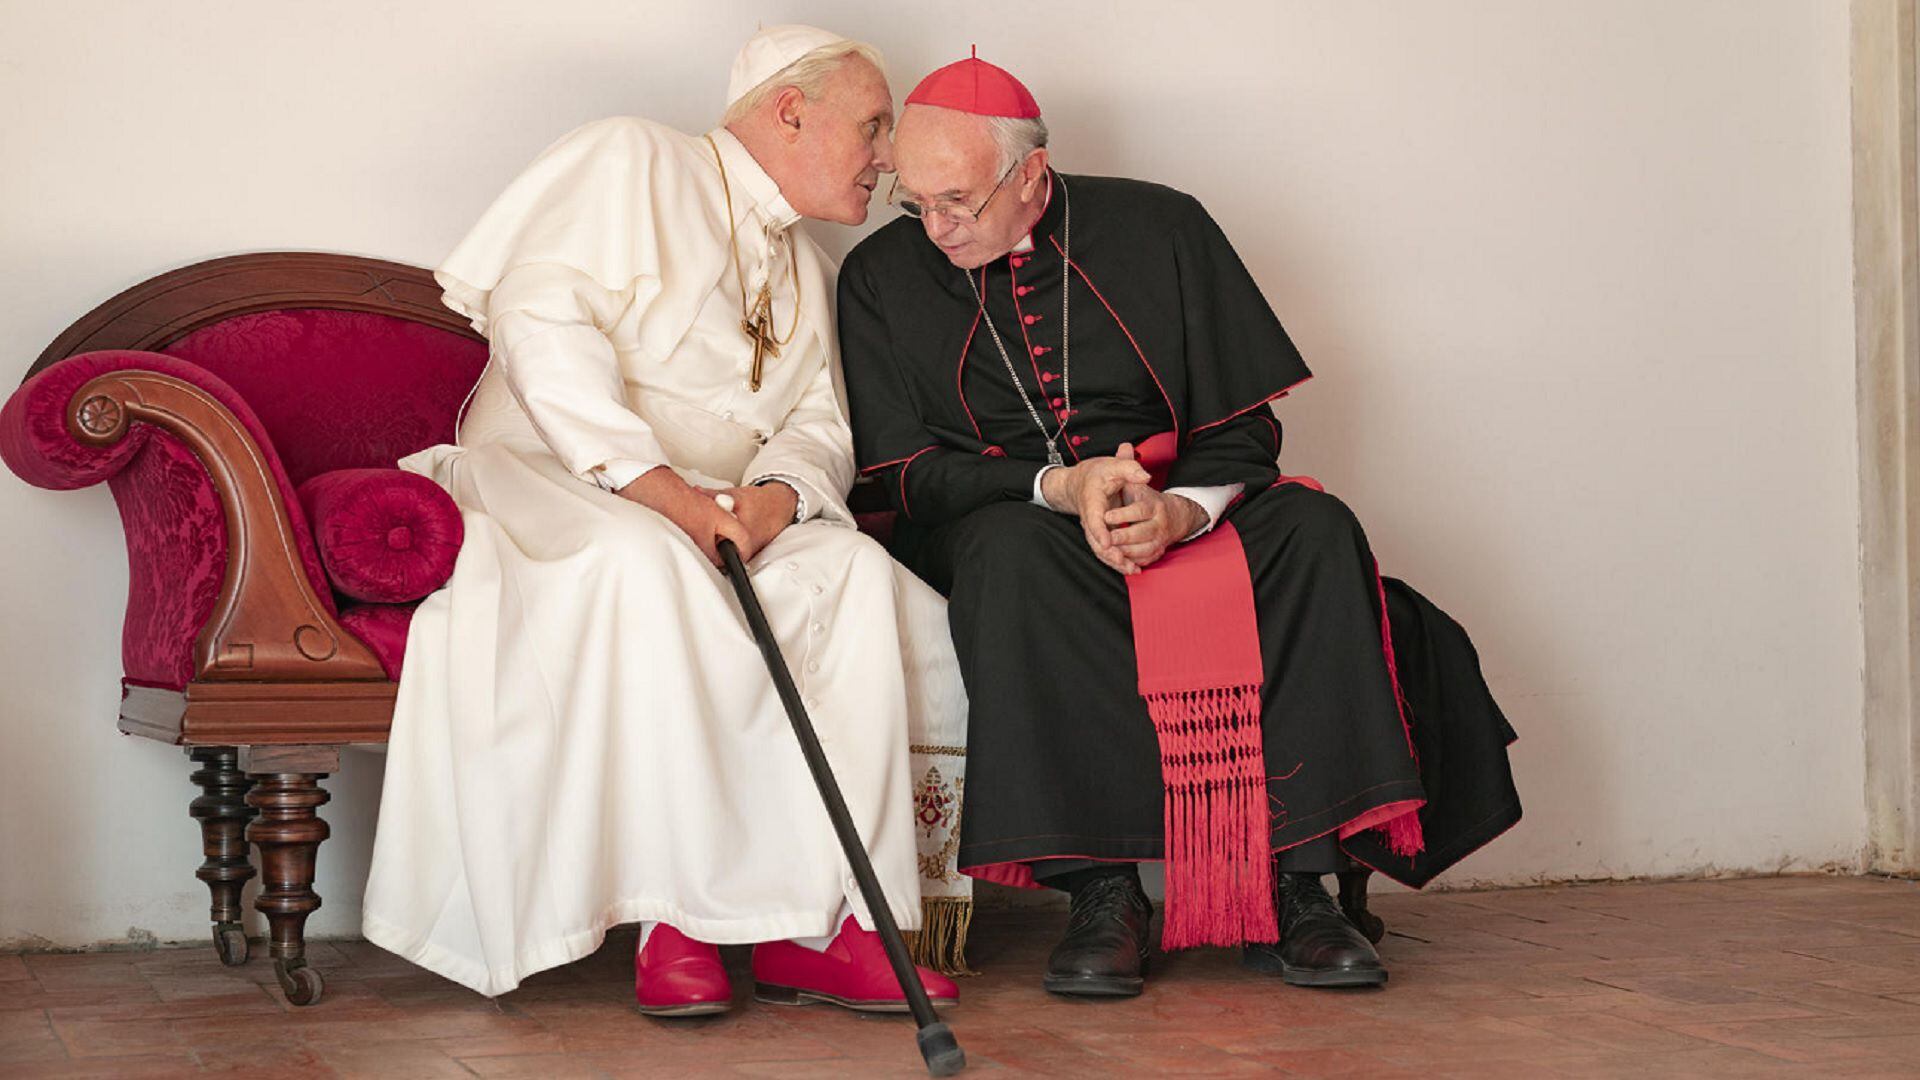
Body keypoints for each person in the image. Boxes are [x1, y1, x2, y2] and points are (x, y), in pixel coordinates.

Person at [838, 52, 1520, 997]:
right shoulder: (881, 276)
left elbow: (1246, 427)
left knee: (1318, 533)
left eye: (955, 201)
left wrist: (1178, 510)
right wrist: (1061, 488)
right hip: (1020, 518)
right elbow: (900, 469)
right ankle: (1104, 895)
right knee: (1006, 559)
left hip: (1185, 504)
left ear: (1030, 177)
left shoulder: (1163, 225)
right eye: (914, 203)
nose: (935, 228)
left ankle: (1299, 888)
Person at [361, 25, 966, 1016]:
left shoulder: (809, 266)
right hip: (555, 479)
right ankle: (676, 921)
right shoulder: (634, 158)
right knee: (652, 562)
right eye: (873, 127)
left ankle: (831, 926)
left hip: (717, 511)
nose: (888, 157)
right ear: (788, 108)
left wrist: (773, 502)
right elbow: (539, 326)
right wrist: (666, 494)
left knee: (847, 576)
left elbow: (817, 423)